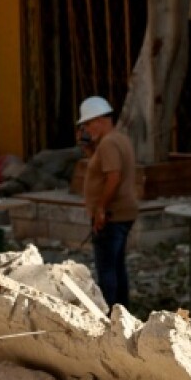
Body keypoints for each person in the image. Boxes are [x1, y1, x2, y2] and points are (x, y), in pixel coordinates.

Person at [78, 96, 137, 308]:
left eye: (87, 124)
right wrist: (88, 149)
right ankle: (122, 312)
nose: (86, 129)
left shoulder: (109, 143)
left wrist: (101, 209)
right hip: (122, 212)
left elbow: (114, 176)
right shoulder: (118, 139)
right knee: (117, 266)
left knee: (107, 269)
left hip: (112, 214)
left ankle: (111, 314)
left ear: (99, 121)